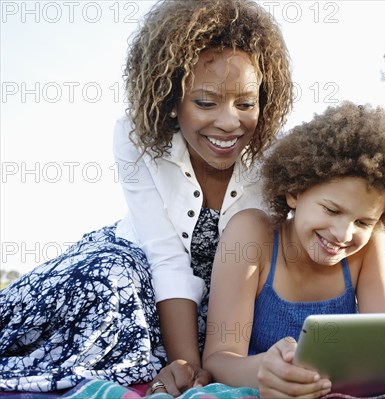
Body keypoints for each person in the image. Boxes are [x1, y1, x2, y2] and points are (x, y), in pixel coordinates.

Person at [0, 0, 293, 396]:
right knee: (108, 281)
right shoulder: (135, 139)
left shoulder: (278, 159)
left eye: (245, 103)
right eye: (205, 103)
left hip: (222, 299)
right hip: (136, 267)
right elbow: (164, 256)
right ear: (171, 101)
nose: (228, 122)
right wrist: (185, 363)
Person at [202, 102, 385, 398]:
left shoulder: (368, 246)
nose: (343, 234)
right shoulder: (252, 234)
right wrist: (264, 372)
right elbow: (219, 359)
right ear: (294, 191)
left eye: (363, 221)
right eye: (331, 210)